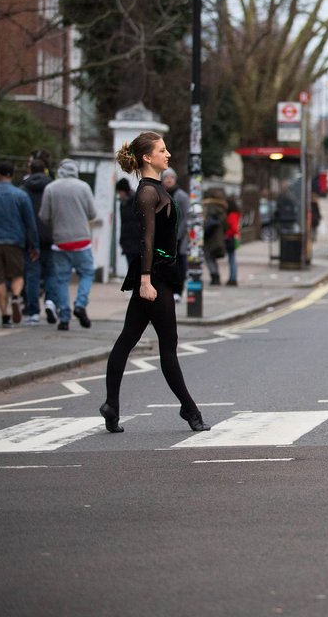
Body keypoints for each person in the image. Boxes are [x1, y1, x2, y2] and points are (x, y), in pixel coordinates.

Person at [100, 132, 211, 434]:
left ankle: (111, 405)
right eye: (162, 150)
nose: (168, 154)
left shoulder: (156, 189)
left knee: (126, 340)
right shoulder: (148, 193)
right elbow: (146, 240)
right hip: (154, 275)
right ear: (147, 158)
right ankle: (189, 409)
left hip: (157, 272)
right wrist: (146, 281)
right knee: (168, 346)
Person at [0, 162, 39, 327]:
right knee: (17, 275)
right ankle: (16, 296)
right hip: (15, 242)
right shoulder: (21, 195)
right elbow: (30, 223)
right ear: (12, 174)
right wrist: (34, 245)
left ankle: (5, 315)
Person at [40, 159, 97, 331]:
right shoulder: (84, 187)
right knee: (87, 273)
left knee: (61, 279)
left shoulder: (51, 188)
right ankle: (80, 304)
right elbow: (92, 213)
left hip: (60, 242)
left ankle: (64, 317)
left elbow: (44, 215)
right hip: (82, 240)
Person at [20, 158, 54, 325]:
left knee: (32, 276)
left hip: (30, 239)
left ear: (30, 170)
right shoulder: (53, 186)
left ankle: (33, 312)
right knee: (51, 274)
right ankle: (50, 302)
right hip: (51, 236)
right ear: (45, 169)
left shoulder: (23, 190)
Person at [161, 168, 189, 298]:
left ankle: (178, 290)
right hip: (164, 237)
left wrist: (178, 236)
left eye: (171, 177)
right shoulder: (160, 194)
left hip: (178, 239)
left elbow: (185, 217)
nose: (169, 179)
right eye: (166, 177)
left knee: (179, 265)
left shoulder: (181, 196)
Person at [202, 188, 228, 285]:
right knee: (213, 257)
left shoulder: (210, 207)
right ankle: (216, 276)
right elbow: (226, 224)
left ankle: (214, 277)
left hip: (210, 236)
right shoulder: (222, 208)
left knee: (209, 257)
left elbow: (208, 222)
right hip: (219, 236)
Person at [116, 176, 144, 270]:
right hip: (128, 241)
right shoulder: (123, 203)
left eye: (120, 191)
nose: (119, 194)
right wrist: (121, 240)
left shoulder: (137, 201)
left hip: (137, 241)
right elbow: (123, 223)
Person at [225, 196, 241, 285]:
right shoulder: (235, 214)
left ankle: (233, 278)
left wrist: (228, 233)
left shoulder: (232, 215)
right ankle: (232, 277)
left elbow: (234, 228)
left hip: (230, 238)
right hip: (233, 238)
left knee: (232, 259)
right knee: (232, 258)